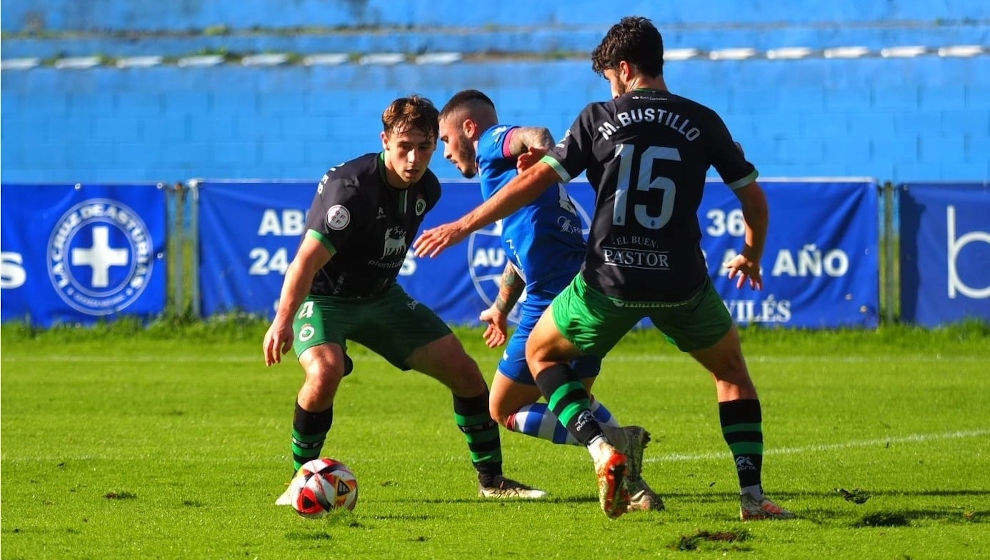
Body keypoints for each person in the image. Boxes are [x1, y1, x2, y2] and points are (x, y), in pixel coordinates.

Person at [415, 18, 794, 521]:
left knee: (540, 353)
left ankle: (603, 447)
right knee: (731, 373)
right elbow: (754, 201)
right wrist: (751, 252)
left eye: (609, 77)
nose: (609, 88)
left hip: (607, 279)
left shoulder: (598, 118)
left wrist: (463, 224)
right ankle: (752, 496)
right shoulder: (704, 120)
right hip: (681, 280)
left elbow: (534, 183)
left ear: (623, 68)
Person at [263, 95, 544, 502]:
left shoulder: (427, 189)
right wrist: (282, 320)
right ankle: (298, 483)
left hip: (382, 298)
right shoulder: (352, 190)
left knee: (466, 374)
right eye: (404, 147)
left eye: (425, 147)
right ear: (385, 141)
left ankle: (493, 484)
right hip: (325, 299)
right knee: (324, 373)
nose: (414, 159)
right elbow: (305, 261)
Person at [437, 90, 660, 512]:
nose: (445, 153)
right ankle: (632, 482)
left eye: (446, 141)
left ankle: (615, 442)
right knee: (574, 399)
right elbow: (523, 256)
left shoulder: (489, 143)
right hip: (586, 288)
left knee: (501, 407)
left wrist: (543, 151)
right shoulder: (511, 185)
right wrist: (500, 308)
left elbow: (534, 133)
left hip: (552, 297)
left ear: (468, 128)